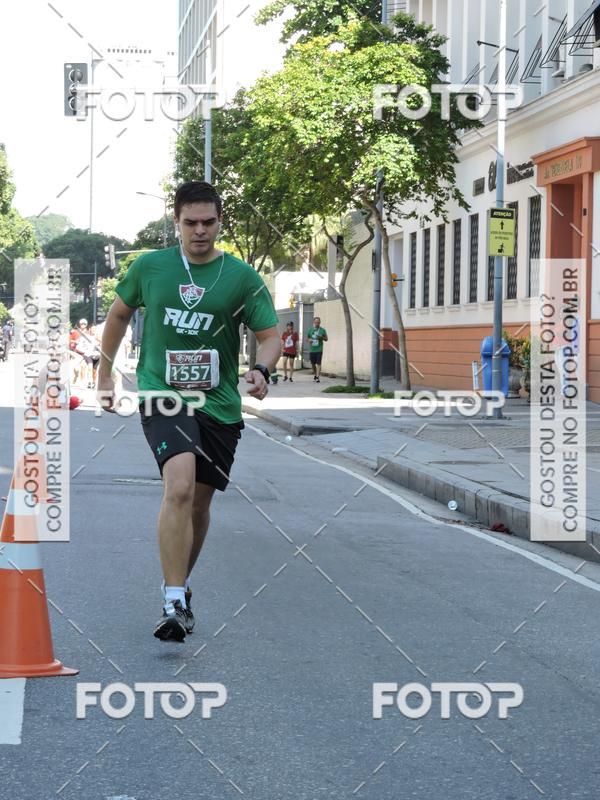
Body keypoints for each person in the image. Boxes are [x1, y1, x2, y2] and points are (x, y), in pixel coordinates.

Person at [97, 181, 280, 643]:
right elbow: (117, 316)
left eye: (209, 222)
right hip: (163, 394)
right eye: (190, 222)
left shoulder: (242, 277)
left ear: (220, 222)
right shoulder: (150, 267)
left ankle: (178, 584)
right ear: (176, 223)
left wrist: (262, 369)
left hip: (218, 403)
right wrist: (104, 375)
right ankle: (174, 600)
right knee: (177, 486)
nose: (200, 231)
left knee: (199, 503)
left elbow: (270, 335)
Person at [306, 316, 328, 382]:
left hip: (319, 349)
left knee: (318, 363)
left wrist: (321, 337)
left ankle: (318, 376)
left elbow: (326, 339)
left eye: (318, 322)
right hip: (312, 349)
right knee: (313, 364)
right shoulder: (310, 330)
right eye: (316, 322)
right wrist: (309, 340)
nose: (317, 324)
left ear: (320, 323)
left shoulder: (322, 330)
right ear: (313, 322)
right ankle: (315, 375)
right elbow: (307, 338)